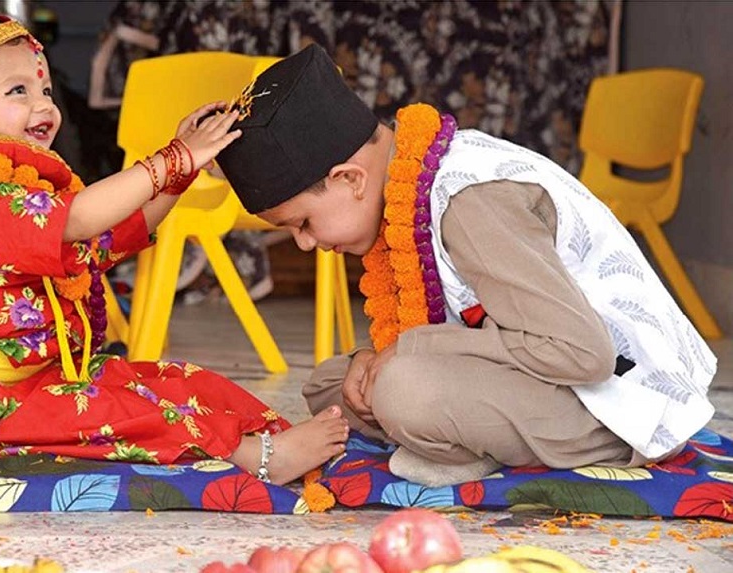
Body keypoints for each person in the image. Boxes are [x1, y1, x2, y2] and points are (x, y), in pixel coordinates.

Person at [0, 14, 348, 486]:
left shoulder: (24, 187)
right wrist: (172, 159)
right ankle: (259, 457)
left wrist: (179, 175)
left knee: (176, 382)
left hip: (29, 381)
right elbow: (79, 219)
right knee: (114, 411)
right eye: (18, 91)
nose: (44, 105)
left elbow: (106, 237)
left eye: (45, 91)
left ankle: (269, 435)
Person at [215, 44, 717, 487]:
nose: (305, 244)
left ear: (350, 179)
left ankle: (464, 445)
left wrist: (412, 348)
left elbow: (581, 354)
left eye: (302, 223)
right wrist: (379, 354)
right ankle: (457, 436)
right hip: (541, 377)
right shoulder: (411, 188)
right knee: (335, 383)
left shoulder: (470, 202)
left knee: (402, 390)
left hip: (621, 406)